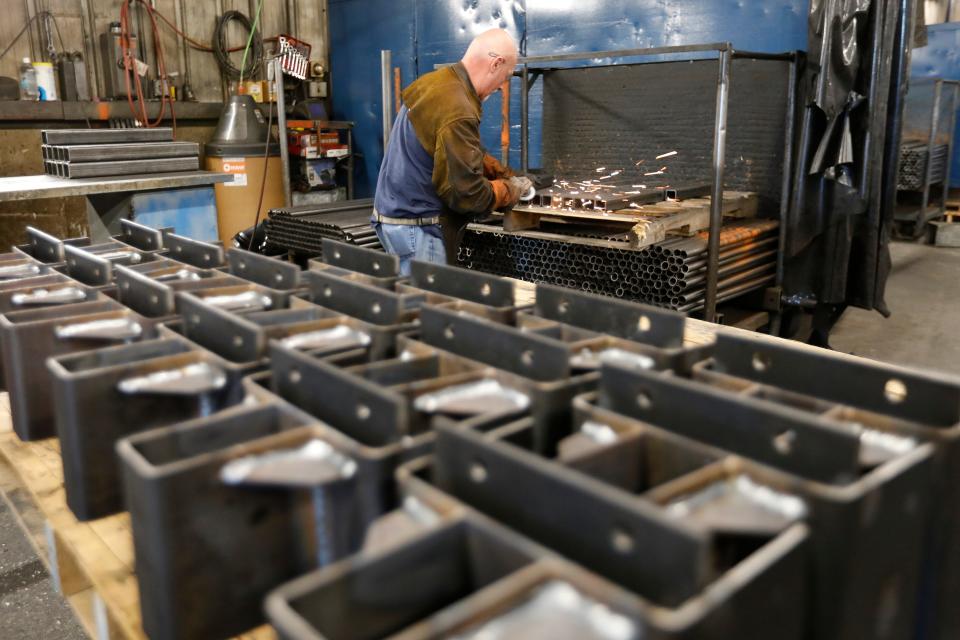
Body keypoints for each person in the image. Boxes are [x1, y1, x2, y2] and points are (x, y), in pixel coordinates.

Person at [372, 28, 534, 275]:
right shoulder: (458, 108)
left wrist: (488, 165)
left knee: (414, 305)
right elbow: (468, 196)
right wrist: (509, 190)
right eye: (505, 76)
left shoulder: (436, 83)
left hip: (396, 219)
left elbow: (439, 146)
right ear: (496, 63)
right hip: (419, 228)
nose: (502, 86)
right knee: (431, 309)